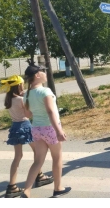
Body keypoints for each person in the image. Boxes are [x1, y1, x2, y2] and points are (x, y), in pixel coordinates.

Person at [20, 64, 71, 198]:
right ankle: (58, 188)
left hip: (36, 129)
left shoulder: (27, 94)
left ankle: (26, 190)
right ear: (37, 75)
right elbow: (50, 111)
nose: (45, 73)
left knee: (38, 161)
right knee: (57, 158)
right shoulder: (45, 91)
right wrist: (59, 130)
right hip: (50, 128)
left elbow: (28, 114)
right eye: (43, 71)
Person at [0, 75, 54, 198]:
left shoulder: (9, 99)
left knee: (17, 157)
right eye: (22, 84)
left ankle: (12, 187)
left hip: (15, 127)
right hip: (25, 126)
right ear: (19, 85)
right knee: (37, 152)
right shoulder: (21, 100)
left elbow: (20, 97)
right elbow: (28, 114)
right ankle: (39, 176)